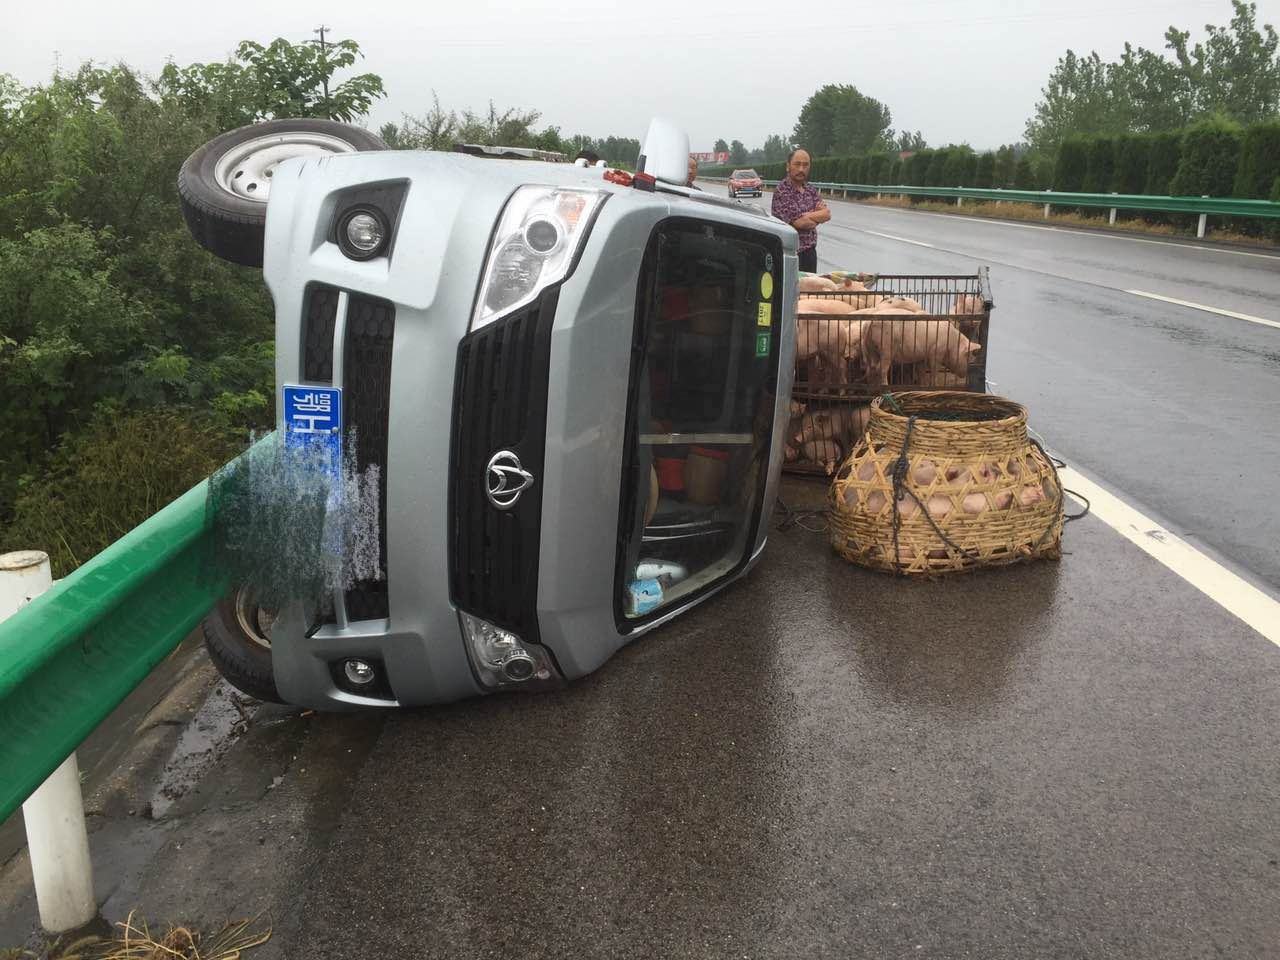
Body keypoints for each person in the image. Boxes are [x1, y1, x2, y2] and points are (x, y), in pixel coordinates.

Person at [771, 148, 830, 273]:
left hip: (810, 254)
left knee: (810, 291)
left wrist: (809, 215)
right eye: (797, 164)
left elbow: (827, 214)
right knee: (792, 291)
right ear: (788, 166)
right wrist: (816, 216)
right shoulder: (783, 191)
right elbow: (801, 223)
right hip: (790, 255)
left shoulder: (810, 190)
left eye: (805, 165)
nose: (801, 169)